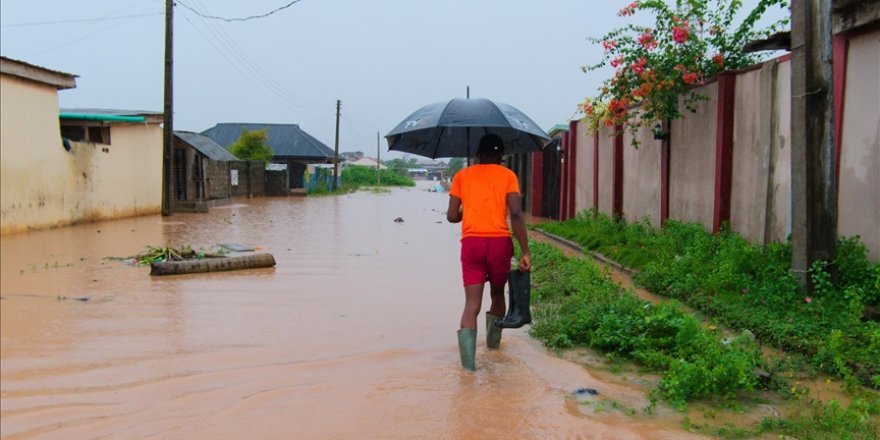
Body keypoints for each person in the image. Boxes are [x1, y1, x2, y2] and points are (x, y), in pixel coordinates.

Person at [446, 133, 531, 371]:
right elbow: (515, 214)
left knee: (471, 304)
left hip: (471, 244)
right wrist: (525, 251)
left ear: (478, 155)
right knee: (496, 295)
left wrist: (470, 212)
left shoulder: (461, 176)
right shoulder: (508, 176)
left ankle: (468, 369)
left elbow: (452, 216)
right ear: (501, 156)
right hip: (498, 244)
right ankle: (493, 350)